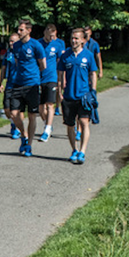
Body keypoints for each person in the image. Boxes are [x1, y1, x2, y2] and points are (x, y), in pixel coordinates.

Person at [57, 28, 98, 165]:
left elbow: (93, 73)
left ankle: (82, 151)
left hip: (83, 95)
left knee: (84, 122)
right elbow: (60, 74)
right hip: (69, 95)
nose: (74, 41)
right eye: (72, 38)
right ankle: (74, 149)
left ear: (82, 40)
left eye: (77, 38)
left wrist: (93, 91)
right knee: (70, 125)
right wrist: (59, 92)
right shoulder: (65, 55)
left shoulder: (88, 55)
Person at [8, 19, 46, 157]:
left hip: (32, 84)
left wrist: (34, 76)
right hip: (18, 83)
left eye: (21, 30)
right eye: (18, 29)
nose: (19, 32)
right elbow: (17, 62)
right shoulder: (16, 46)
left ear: (29, 30)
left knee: (31, 116)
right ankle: (23, 135)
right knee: (14, 113)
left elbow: (43, 65)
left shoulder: (36, 45)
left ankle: (29, 145)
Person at [37, 23, 65, 141]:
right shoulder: (38, 43)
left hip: (52, 77)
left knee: (49, 104)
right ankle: (47, 123)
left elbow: (61, 62)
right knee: (40, 107)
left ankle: (47, 129)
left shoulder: (58, 44)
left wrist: (62, 78)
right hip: (38, 78)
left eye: (53, 36)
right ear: (45, 33)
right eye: (49, 36)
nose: (51, 38)